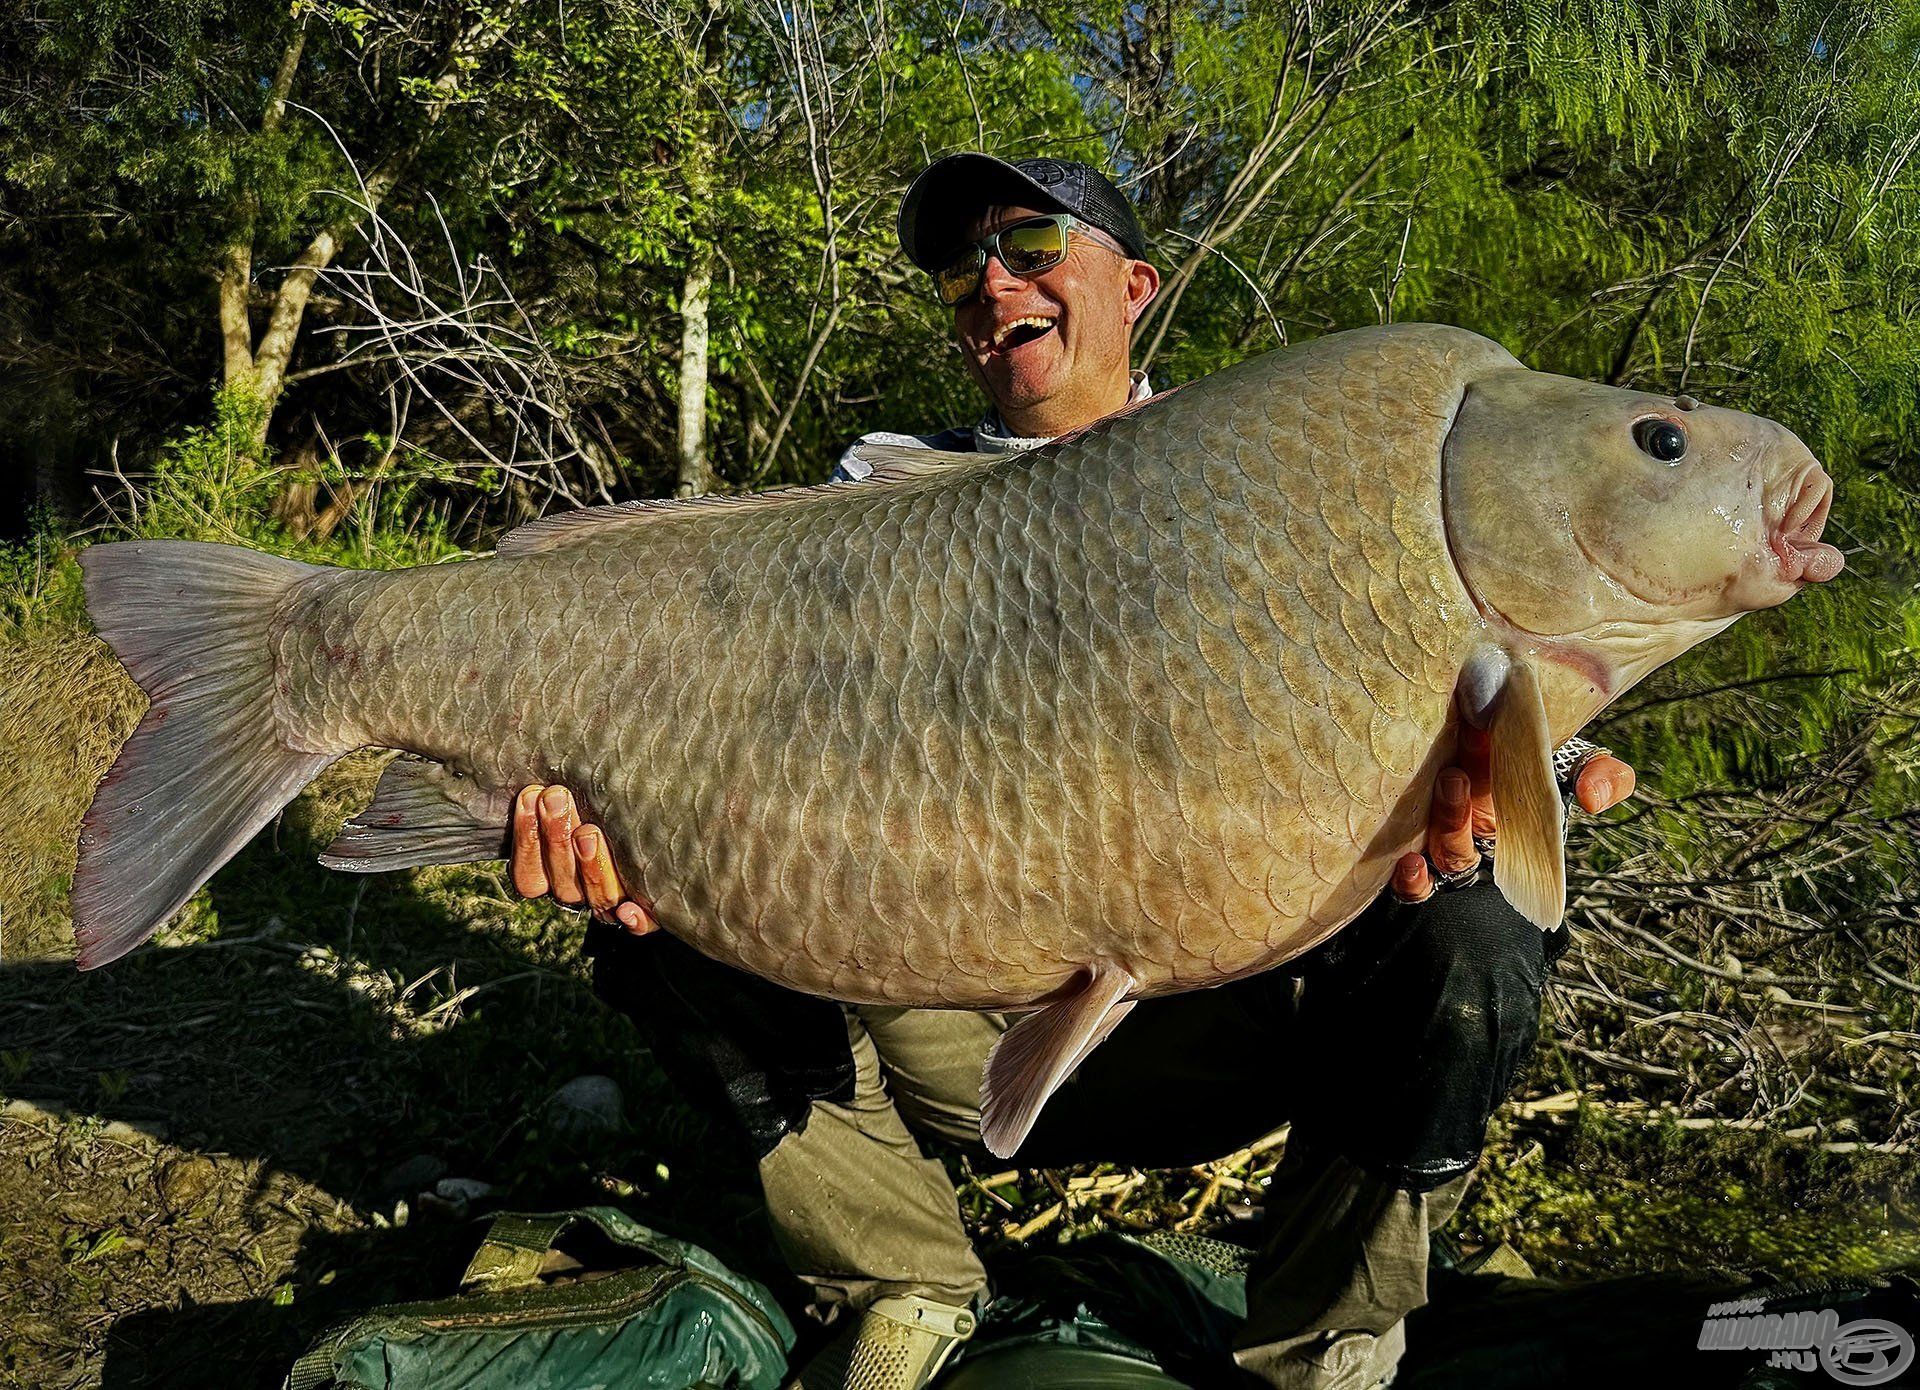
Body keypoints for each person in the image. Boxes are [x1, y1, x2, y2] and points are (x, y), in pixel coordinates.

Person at [509, 154, 1637, 1390]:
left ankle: (1327, 1339)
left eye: (1034, 243)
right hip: (930, 1006)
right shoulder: (867, 495)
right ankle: (901, 1283)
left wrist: (1540, 758)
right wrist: (620, 807)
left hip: (1213, 1020)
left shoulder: (1271, 480)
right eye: (960, 269)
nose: (992, 284)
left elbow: (1407, 673)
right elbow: (725, 703)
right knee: (655, 909)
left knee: (1474, 916)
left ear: (1136, 282)